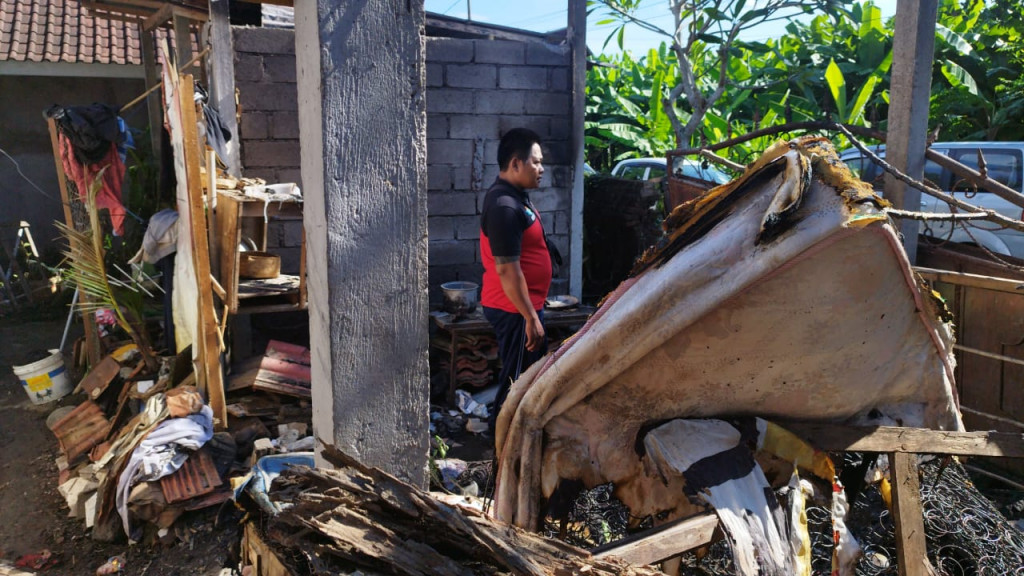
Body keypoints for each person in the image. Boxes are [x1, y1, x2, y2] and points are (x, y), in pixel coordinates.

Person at [479, 128, 552, 428]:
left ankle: (516, 444)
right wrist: (530, 317)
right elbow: (507, 269)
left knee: (526, 380)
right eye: (535, 162)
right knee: (516, 386)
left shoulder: (514, 197)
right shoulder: (504, 207)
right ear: (515, 164)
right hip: (515, 310)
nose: (541, 168)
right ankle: (501, 453)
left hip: (524, 308)